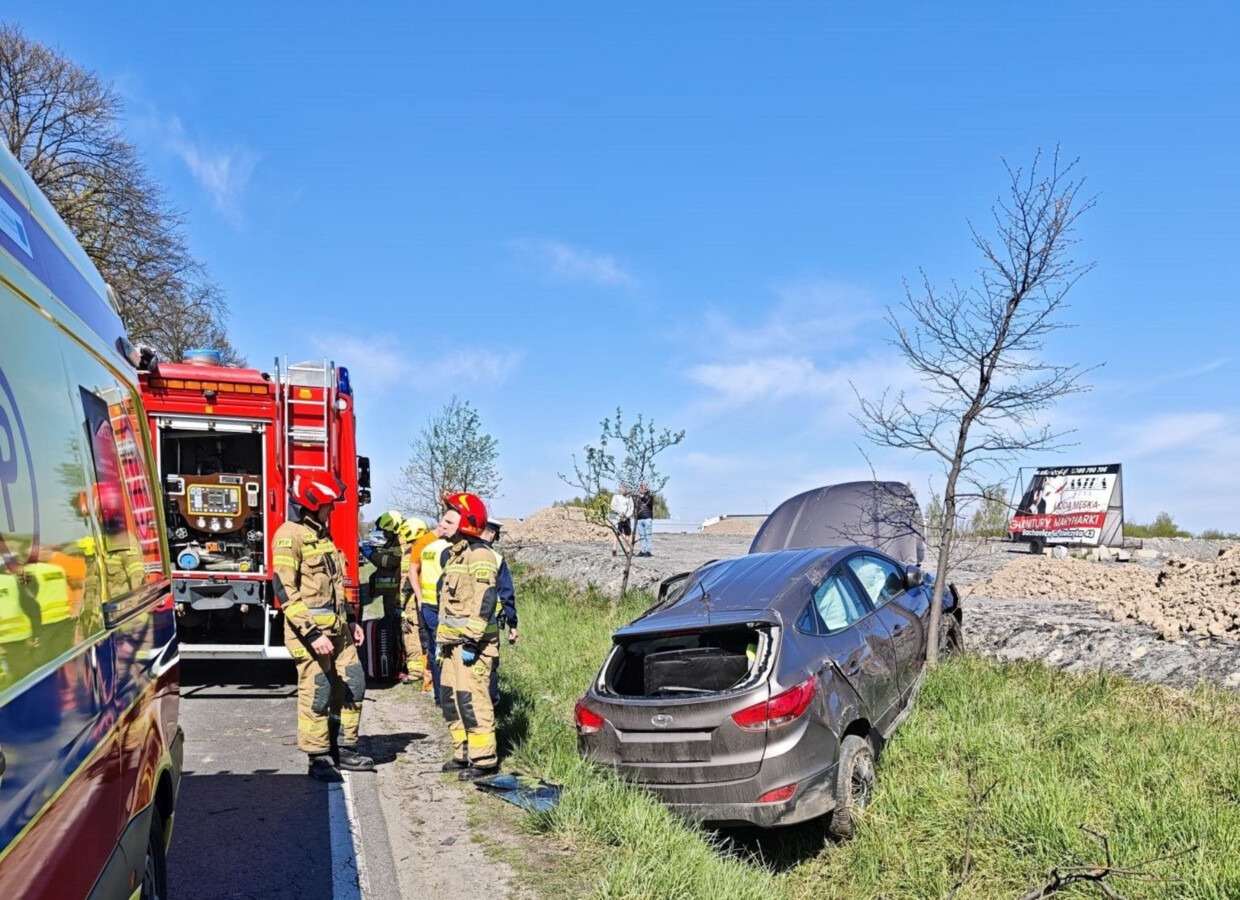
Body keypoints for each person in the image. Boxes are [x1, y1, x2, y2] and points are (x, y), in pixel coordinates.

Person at [272, 473, 373, 782]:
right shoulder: (289, 536)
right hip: (309, 635)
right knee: (319, 692)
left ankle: (345, 747)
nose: (332, 510)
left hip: (339, 631)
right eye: (328, 506)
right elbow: (284, 590)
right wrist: (312, 634)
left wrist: (352, 621)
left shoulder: (322, 534)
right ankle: (318, 758)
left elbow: (335, 587)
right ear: (310, 506)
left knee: (354, 684)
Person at [437, 491, 501, 780]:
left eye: (449, 519)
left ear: (467, 523)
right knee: (451, 699)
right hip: (451, 646)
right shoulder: (453, 555)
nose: (442, 523)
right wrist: (441, 642)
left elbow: (484, 600)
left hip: (472, 646)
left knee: (473, 701)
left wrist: (473, 640)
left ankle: (484, 760)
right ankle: (462, 753)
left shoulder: (480, 555)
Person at [479, 520, 519, 706]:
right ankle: (491, 706)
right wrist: (513, 625)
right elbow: (506, 594)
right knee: (490, 665)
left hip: (458, 623)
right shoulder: (495, 558)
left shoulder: (461, 553)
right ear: (493, 534)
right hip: (488, 623)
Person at [416, 509, 454, 697]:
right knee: (445, 652)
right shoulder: (447, 550)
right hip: (441, 606)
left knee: (433, 650)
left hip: (427, 605)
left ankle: (438, 695)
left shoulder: (428, 548)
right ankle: (447, 695)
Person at [609, 485, 634, 557]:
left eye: (626, 488)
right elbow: (613, 506)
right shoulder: (616, 497)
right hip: (618, 518)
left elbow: (631, 508)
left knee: (628, 534)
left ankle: (628, 549)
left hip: (627, 518)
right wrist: (620, 513)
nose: (625, 489)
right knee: (617, 533)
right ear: (620, 489)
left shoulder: (630, 498)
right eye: (623, 488)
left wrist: (628, 515)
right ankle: (614, 549)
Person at [634, 483, 655, 557]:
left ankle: (648, 551)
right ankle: (642, 550)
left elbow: (648, 502)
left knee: (648, 535)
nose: (643, 489)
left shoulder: (650, 497)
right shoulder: (636, 497)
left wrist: (642, 497)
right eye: (641, 487)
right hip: (639, 518)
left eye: (645, 488)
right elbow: (635, 506)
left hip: (647, 518)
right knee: (642, 535)